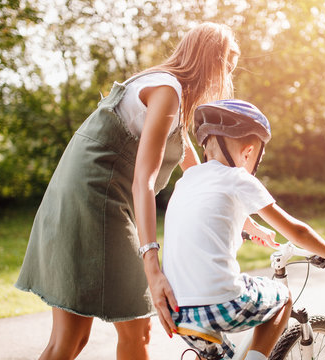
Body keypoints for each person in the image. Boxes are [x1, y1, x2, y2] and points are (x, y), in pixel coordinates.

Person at [15, 23, 271, 360]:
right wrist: (152, 266)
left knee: (71, 339)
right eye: (226, 68)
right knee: (130, 331)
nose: (225, 80)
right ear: (210, 62)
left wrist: (244, 219)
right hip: (95, 204)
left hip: (75, 199)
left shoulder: (168, 94)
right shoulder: (167, 91)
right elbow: (143, 181)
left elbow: (194, 170)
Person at [162, 100, 325, 360]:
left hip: (178, 310)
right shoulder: (239, 178)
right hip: (220, 303)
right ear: (249, 152)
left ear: (206, 145)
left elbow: (215, 211)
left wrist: (254, 229)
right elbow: (297, 232)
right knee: (283, 297)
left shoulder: (187, 181)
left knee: (219, 356)